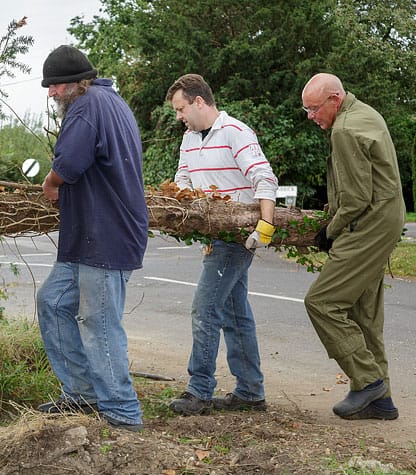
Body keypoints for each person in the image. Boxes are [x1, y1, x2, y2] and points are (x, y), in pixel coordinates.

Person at [35, 45, 148, 431]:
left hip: (105, 234)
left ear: (74, 83)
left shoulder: (87, 105)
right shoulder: (110, 100)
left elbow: (68, 164)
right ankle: (81, 394)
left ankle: (121, 412)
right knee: (52, 301)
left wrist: (50, 183)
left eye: (55, 86)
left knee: (98, 322)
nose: (51, 93)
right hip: (89, 235)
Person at [165, 74, 279, 416]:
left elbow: (265, 177)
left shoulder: (235, 133)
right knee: (234, 312)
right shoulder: (188, 139)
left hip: (238, 236)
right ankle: (250, 392)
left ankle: (199, 390)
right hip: (214, 236)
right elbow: (183, 178)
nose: (179, 116)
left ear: (199, 102)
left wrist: (266, 228)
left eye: (181, 108)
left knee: (205, 308)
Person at [302, 73, 405, 420]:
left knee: (322, 301)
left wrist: (330, 232)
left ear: (334, 99)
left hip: (370, 223)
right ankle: (381, 401)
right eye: (307, 110)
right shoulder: (364, 112)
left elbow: (356, 198)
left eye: (314, 109)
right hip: (387, 219)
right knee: (364, 312)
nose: (311, 116)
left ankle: (367, 382)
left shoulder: (345, 130)